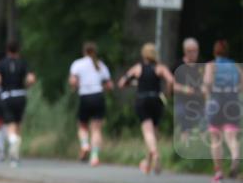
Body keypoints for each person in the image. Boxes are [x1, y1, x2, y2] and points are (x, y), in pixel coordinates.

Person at [118, 43, 174, 175]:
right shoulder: (160, 68)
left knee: (148, 132)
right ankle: (148, 164)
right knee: (153, 134)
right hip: (156, 100)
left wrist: (133, 82)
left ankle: (155, 155)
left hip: (142, 100)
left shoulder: (138, 68)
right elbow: (171, 80)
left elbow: (121, 83)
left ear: (143, 54)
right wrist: (168, 93)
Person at [0, 41, 37, 167]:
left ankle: (13, 141)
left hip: (7, 96)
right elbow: (31, 79)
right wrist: (26, 85)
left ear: (7, 50)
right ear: (18, 50)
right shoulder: (23, 63)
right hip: (21, 95)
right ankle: (15, 157)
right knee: (18, 124)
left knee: (10, 125)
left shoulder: (1, 64)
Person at [68, 42, 113, 167]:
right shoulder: (101, 65)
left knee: (82, 125)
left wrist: (75, 87)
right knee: (96, 129)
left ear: (84, 51)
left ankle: (84, 144)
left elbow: (73, 81)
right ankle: (94, 156)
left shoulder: (77, 64)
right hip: (98, 96)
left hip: (85, 96)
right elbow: (109, 85)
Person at [202, 39, 240, 183]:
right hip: (232, 101)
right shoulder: (235, 66)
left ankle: (218, 173)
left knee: (215, 138)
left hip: (216, 100)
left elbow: (208, 83)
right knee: (231, 136)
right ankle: (235, 156)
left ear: (215, 51)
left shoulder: (211, 65)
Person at [172, 37, 205, 147]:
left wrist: (205, 88)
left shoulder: (201, 65)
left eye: (195, 51)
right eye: (190, 51)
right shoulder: (178, 65)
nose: (193, 53)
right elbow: (171, 84)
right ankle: (185, 148)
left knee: (203, 126)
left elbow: (207, 82)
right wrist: (184, 89)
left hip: (199, 101)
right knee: (185, 125)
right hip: (182, 101)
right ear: (185, 51)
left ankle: (201, 149)